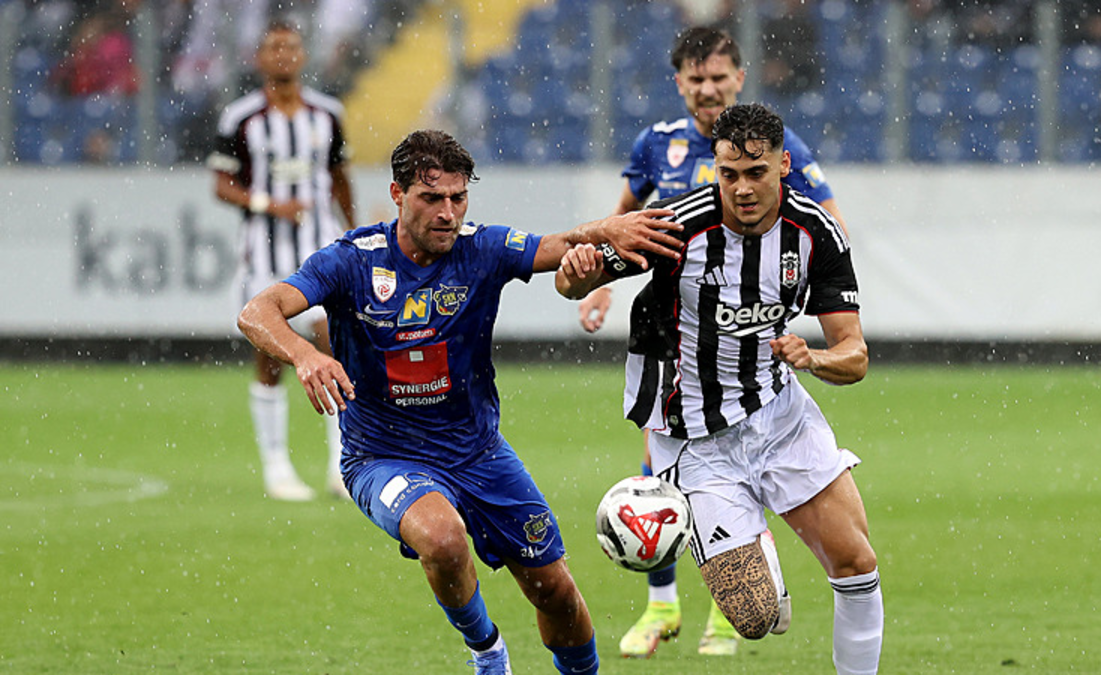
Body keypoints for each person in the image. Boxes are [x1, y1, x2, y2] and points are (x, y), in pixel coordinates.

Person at [236, 129, 684, 674]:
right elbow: (258, 311)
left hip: (478, 453)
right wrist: (306, 356)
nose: (448, 212)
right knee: (443, 540)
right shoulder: (352, 261)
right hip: (383, 458)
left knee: (555, 591)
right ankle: (487, 651)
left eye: (458, 197)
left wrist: (604, 229)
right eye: (432, 198)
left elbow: (559, 246)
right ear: (398, 195)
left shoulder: (482, 250)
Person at [557, 103, 884, 674]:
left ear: (784, 165)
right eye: (729, 174)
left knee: (856, 563)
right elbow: (570, 281)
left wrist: (814, 357)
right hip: (694, 442)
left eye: (756, 173)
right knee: (756, 620)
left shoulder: (816, 235)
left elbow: (854, 357)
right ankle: (753, 546)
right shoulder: (674, 226)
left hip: (779, 417)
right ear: (716, 168)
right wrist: (579, 272)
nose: (743, 189)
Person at [209, 19, 356, 501]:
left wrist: (351, 231)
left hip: (320, 249)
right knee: (272, 357)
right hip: (266, 255)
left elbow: (339, 177)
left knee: (333, 347)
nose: (284, 55)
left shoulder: (326, 115)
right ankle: (277, 464)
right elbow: (221, 185)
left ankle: (340, 462)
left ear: (302, 56)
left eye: (291, 47)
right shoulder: (241, 118)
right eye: (274, 48)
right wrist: (269, 205)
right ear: (260, 58)